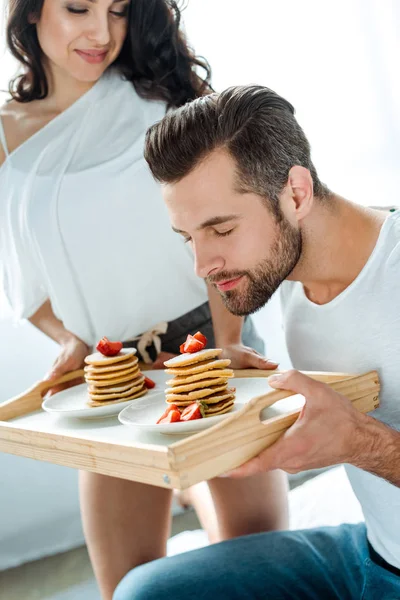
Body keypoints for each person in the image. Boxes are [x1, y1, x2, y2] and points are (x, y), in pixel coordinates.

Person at [0, 4, 288, 598]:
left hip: (208, 346)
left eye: (119, 11)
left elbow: (224, 232)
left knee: (257, 570)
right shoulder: (6, 133)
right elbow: (22, 277)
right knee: (127, 588)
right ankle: (184, 483)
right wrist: (69, 340)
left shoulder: (164, 99)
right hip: (107, 380)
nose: (101, 34)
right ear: (29, 11)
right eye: (78, 7)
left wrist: (227, 343)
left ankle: (192, 485)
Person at [113, 85, 400, 599]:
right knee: (146, 591)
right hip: (372, 551)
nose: (202, 265)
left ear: (295, 193)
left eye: (220, 230)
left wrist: (362, 443)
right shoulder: (290, 275)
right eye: (188, 237)